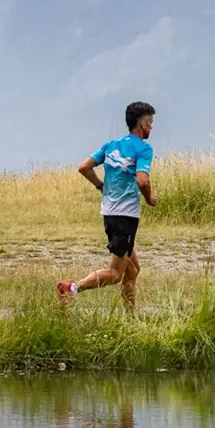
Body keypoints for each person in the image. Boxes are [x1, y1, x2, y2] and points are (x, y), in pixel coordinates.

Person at [57, 102, 157, 311]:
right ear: (142, 124)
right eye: (150, 123)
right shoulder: (143, 149)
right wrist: (149, 198)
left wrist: (101, 186)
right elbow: (142, 180)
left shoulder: (111, 145)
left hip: (109, 213)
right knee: (115, 274)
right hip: (125, 216)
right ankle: (71, 288)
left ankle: (130, 318)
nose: (152, 128)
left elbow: (84, 167)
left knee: (133, 270)